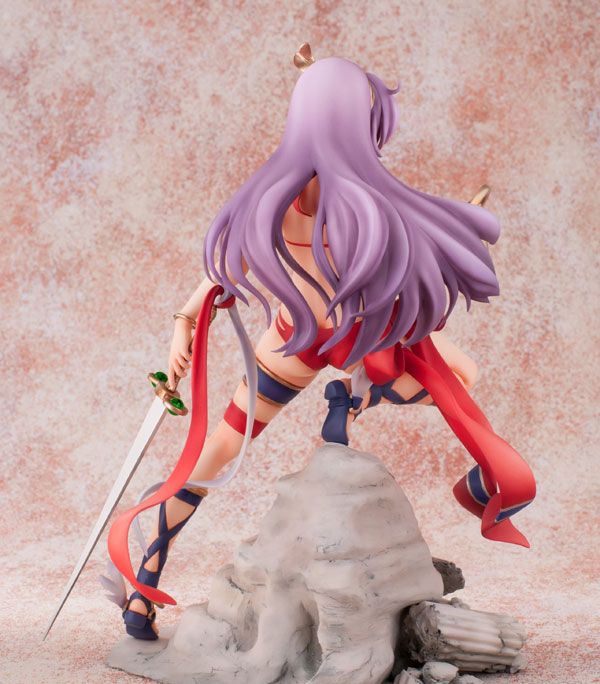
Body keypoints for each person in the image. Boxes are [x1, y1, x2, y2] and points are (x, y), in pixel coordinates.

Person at [109, 49, 535, 641]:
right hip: (344, 341)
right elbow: (389, 269)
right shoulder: (365, 204)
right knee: (458, 376)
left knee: (215, 454)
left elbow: (221, 274)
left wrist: (183, 323)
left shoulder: (282, 197)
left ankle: (143, 588)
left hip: (296, 342)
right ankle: (355, 398)